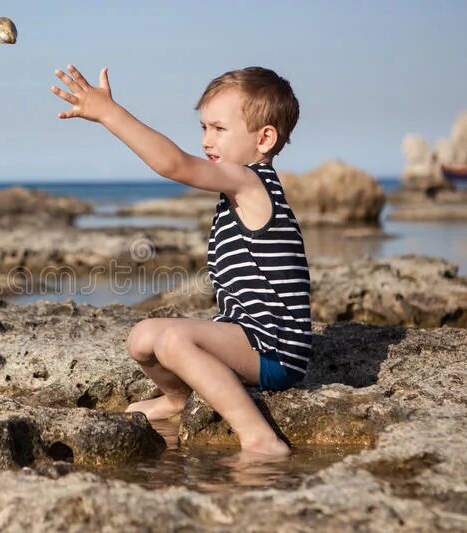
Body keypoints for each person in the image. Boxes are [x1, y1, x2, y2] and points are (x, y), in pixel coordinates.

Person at [51, 65, 309, 457]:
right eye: (204, 128)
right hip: (245, 335)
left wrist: (108, 113)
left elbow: (174, 165)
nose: (207, 140)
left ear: (265, 138)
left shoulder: (252, 182)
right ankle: (176, 400)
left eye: (219, 129)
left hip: (275, 350)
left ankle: (259, 436)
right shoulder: (238, 189)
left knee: (173, 340)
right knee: (143, 338)